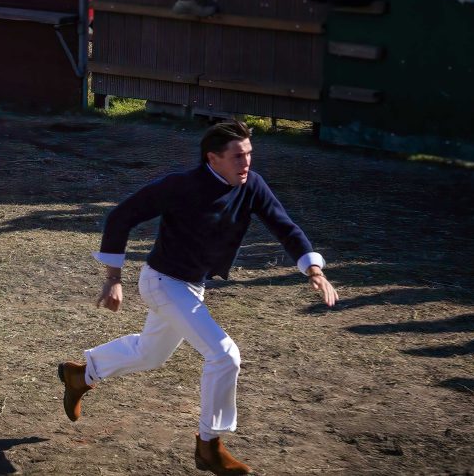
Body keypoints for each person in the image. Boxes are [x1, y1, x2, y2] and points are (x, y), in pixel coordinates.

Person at [57, 120, 339, 476]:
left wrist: (313, 269)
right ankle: (209, 445)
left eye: (249, 154)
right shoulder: (182, 185)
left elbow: (284, 226)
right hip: (162, 282)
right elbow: (120, 217)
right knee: (225, 355)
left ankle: (81, 375)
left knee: (150, 354)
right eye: (238, 156)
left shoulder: (251, 185)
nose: (246, 163)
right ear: (213, 158)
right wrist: (113, 279)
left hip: (191, 286)